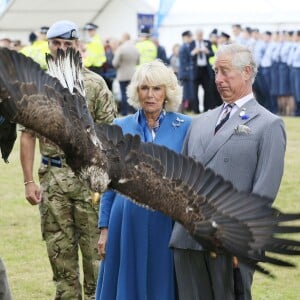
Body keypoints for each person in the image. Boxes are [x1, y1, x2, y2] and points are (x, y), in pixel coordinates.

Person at [170, 43, 286, 300]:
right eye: (215, 72)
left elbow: (263, 194)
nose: (218, 79)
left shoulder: (269, 125)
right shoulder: (200, 121)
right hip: (187, 240)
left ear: (246, 72)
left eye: (225, 71)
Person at [19, 20, 117, 300]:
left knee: (95, 258)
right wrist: (28, 181)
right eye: (56, 44)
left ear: (78, 48)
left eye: (68, 45)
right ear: (48, 47)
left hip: (89, 183)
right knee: (59, 255)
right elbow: (27, 135)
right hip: (52, 180)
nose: (62, 50)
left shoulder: (95, 85)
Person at [95, 59, 192, 300]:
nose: (150, 95)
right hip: (125, 220)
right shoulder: (119, 126)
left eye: (157, 88)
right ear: (136, 91)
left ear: (167, 92)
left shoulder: (187, 127)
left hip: (167, 222)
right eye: (144, 88)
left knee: (163, 281)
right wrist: (104, 228)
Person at [112, 32, 139, 115]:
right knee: (132, 93)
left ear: (124, 38)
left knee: (124, 93)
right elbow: (138, 61)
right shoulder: (135, 48)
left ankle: (124, 112)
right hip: (133, 74)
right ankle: (134, 111)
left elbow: (115, 63)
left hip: (122, 74)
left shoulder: (121, 48)